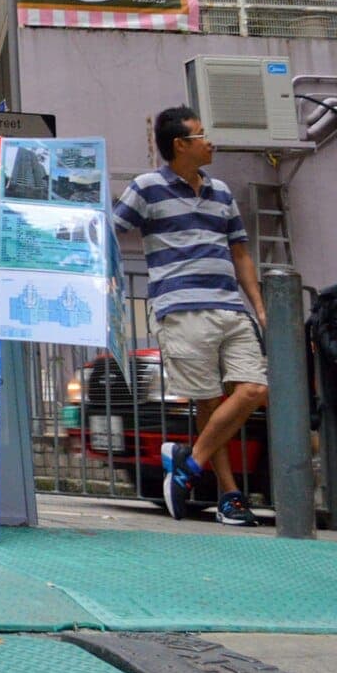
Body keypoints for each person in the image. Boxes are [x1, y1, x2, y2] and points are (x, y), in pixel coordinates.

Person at [112, 106, 269, 526]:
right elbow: (110, 231)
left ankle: (189, 464)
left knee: (254, 389)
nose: (210, 141)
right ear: (180, 145)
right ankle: (230, 496)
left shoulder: (221, 191)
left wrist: (258, 305)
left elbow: (240, 251)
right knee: (208, 403)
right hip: (181, 308)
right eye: (202, 135)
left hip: (230, 306)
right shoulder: (146, 187)